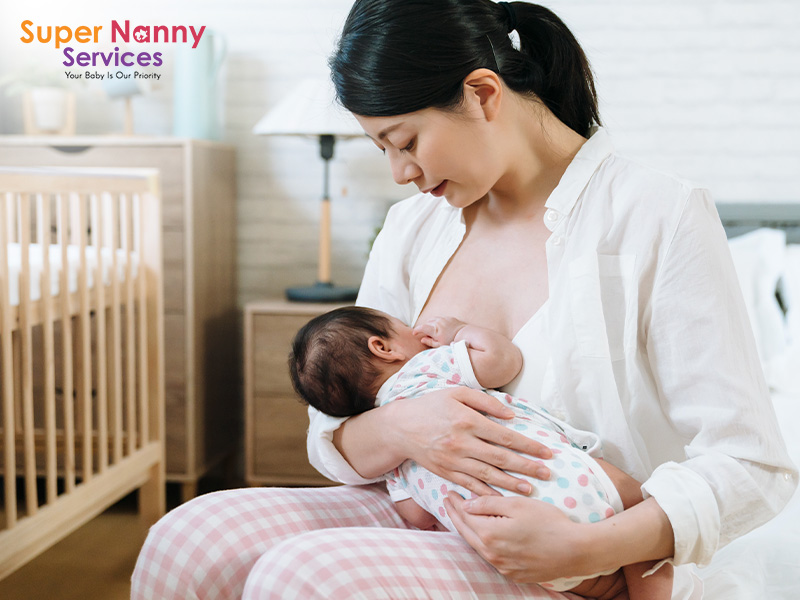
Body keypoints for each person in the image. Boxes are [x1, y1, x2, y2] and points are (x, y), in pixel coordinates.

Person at [131, 1, 798, 598]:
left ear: (482, 94)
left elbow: (752, 464)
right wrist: (400, 427)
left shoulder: (656, 216)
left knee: (301, 577)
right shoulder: (412, 229)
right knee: (188, 538)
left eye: (405, 141)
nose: (400, 172)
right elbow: (331, 437)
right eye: (381, 148)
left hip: (595, 555)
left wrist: (585, 548)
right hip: (435, 507)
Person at [289, 305, 673, 599]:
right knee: (641, 501)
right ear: (382, 347)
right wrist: (458, 332)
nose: (415, 331)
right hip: (569, 478)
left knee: (606, 587)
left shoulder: (392, 463)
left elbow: (416, 516)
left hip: (520, 544)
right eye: (403, 325)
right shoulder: (426, 368)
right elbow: (504, 360)